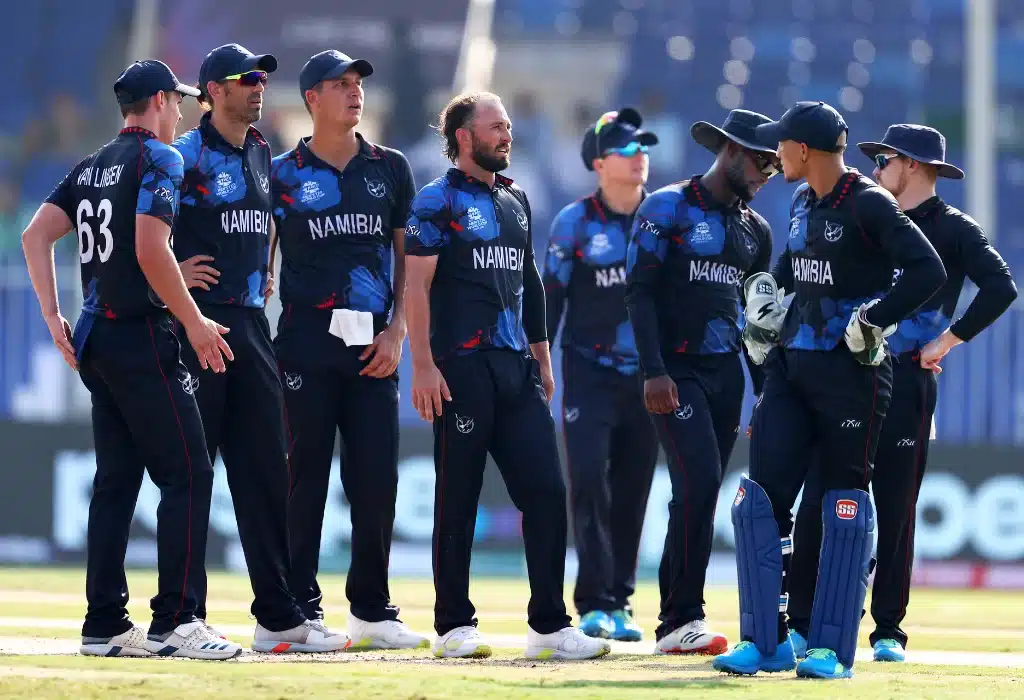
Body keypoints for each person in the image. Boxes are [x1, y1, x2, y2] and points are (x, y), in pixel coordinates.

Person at [712, 102, 947, 679]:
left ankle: (827, 646)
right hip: (792, 370)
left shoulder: (869, 202)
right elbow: (797, 268)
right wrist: (767, 300)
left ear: (803, 151)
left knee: (838, 506)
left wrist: (876, 317)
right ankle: (766, 642)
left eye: (781, 147)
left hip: (854, 375)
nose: (775, 156)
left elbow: (928, 271)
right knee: (762, 500)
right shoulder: (799, 200)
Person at [21, 60, 241, 659]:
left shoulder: (93, 164)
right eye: (177, 103)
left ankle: (105, 625)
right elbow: (150, 246)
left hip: (96, 336)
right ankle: (178, 620)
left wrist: (51, 315)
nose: (180, 114)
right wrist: (194, 323)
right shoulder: (159, 160)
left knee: (115, 483)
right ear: (163, 101)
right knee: (189, 472)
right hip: (141, 335)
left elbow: (35, 235)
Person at [787, 124, 1018, 663]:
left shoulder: (954, 229)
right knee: (824, 496)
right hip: (846, 375)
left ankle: (888, 629)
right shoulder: (865, 210)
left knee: (897, 504)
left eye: (884, 158)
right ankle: (805, 620)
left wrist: (947, 340)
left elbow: (1002, 286)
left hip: (906, 376)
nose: (874, 167)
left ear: (912, 165)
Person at [404, 91, 611, 661]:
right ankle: (454, 625)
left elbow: (531, 283)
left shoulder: (517, 199)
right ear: (465, 137)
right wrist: (421, 364)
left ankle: (549, 625)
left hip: (515, 368)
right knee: (458, 499)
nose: (507, 135)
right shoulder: (434, 200)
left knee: (547, 492)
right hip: (459, 368)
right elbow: (416, 288)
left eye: (509, 126)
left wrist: (542, 356)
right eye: (496, 127)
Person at [172, 43, 346, 653]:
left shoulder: (261, 150)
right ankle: (182, 616)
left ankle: (278, 615)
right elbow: (143, 232)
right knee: (193, 473)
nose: (259, 85)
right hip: (199, 326)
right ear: (213, 91)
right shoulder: (184, 155)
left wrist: (264, 268)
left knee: (268, 472)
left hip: (250, 324)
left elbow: (263, 220)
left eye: (263, 77)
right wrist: (171, 275)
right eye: (246, 78)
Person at [270, 49, 427, 649]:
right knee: (304, 476)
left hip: (375, 347)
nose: (355, 92)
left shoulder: (391, 168)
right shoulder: (281, 173)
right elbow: (260, 254)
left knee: (376, 478)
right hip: (305, 342)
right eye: (340, 84)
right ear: (312, 98)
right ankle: (299, 606)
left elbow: (409, 259)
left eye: (358, 82)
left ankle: (371, 609)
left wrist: (398, 333)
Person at [625, 109, 778, 655]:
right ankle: (682, 617)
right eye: (762, 162)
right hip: (674, 372)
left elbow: (758, 321)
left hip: (724, 375)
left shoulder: (755, 230)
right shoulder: (666, 207)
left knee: (698, 491)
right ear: (732, 151)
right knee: (698, 484)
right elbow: (639, 293)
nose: (768, 174)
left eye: (775, 167)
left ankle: (673, 622)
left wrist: (766, 393)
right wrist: (653, 371)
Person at [542, 108, 659, 642]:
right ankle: (592, 602)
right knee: (588, 479)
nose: (640, 160)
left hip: (650, 377)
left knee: (633, 488)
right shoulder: (575, 222)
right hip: (588, 372)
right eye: (627, 151)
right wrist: (539, 362)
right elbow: (552, 301)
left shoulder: (661, 219)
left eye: (644, 150)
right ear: (598, 162)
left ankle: (621, 603)